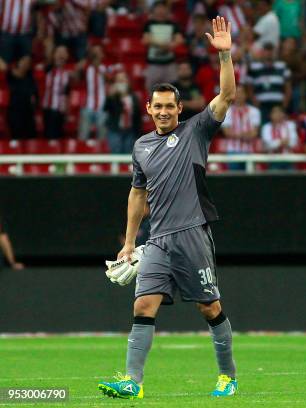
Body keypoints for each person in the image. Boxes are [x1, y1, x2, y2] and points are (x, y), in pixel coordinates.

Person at [97, 16, 238, 399]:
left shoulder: (195, 131)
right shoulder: (140, 146)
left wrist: (224, 57)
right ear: (148, 107)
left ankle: (228, 376)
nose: (162, 112)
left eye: (169, 107)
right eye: (157, 106)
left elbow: (226, 97)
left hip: (192, 232)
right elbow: (137, 194)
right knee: (143, 304)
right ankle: (133, 383)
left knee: (210, 309)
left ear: (179, 108)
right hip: (157, 240)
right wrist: (129, 243)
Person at [245, 42, 291, 123]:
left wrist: (285, 102)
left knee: (279, 127)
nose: (269, 53)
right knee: (264, 128)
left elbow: (288, 86)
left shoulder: (282, 66)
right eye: (267, 51)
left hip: (278, 104)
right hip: (261, 105)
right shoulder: (254, 67)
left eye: (271, 51)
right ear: (262, 52)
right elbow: (249, 87)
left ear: (274, 53)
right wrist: (254, 101)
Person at [142, 1, 184, 90]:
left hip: (169, 64)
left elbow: (179, 39)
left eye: (163, 8)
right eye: (158, 8)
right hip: (154, 63)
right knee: (152, 91)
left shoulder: (172, 24)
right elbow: (145, 40)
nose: (161, 11)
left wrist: (171, 45)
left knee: (171, 90)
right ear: (154, 10)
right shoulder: (149, 24)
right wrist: (164, 45)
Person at [221, 85, 262, 169]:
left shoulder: (254, 111)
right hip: (232, 150)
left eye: (241, 93)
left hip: (250, 150)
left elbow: (255, 133)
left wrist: (236, 134)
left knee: (249, 178)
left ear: (246, 95)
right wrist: (245, 135)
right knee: (233, 179)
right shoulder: (226, 111)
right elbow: (227, 132)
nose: (239, 95)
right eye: (236, 93)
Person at [78, 44, 112, 140]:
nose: (96, 54)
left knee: (102, 138)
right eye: (94, 52)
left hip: (102, 107)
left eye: (99, 52)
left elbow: (111, 79)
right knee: (83, 136)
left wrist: (100, 70)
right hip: (87, 107)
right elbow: (76, 79)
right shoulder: (86, 67)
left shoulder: (106, 67)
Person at [104, 71, 142, 154]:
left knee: (128, 155)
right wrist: (111, 96)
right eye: (119, 80)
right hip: (115, 131)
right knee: (115, 155)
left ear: (128, 82)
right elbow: (106, 108)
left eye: (123, 79)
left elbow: (137, 115)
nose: (121, 82)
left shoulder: (134, 97)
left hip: (130, 132)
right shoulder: (112, 97)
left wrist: (137, 133)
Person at [3, 55, 37, 139]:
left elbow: (35, 95)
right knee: (17, 138)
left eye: (28, 62)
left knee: (30, 138)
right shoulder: (11, 75)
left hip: (28, 114)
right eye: (23, 60)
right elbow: (3, 66)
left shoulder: (30, 78)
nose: (25, 63)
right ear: (18, 62)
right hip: (15, 113)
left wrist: (34, 100)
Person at [42, 45, 72, 139]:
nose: (61, 55)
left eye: (63, 52)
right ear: (54, 55)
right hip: (48, 109)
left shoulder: (67, 74)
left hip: (60, 110)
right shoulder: (48, 69)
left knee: (59, 137)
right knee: (49, 137)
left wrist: (67, 111)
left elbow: (67, 94)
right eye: (59, 52)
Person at [261, 105, 299, 170]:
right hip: (273, 161)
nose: (277, 114)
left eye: (280, 112)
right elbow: (267, 145)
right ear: (270, 115)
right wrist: (282, 142)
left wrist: (276, 143)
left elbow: (294, 143)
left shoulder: (290, 125)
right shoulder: (266, 127)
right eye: (275, 112)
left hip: (289, 160)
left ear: (283, 114)